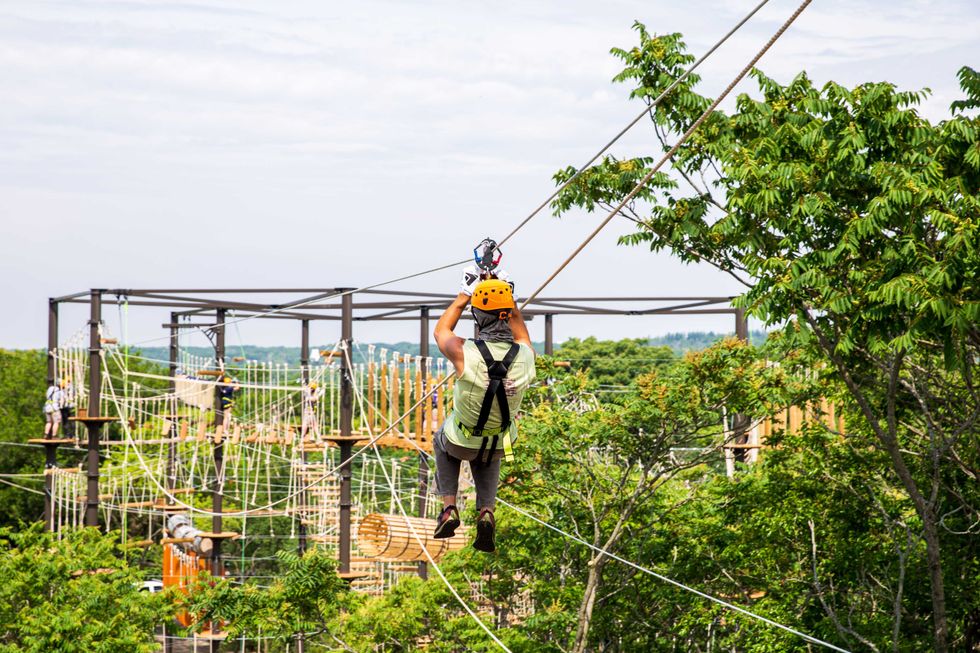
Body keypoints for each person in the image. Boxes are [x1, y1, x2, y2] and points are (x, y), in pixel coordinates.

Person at [431, 267, 536, 552]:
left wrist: (466, 292)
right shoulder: (526, 355)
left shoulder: (465, 352)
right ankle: (486, 511)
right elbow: (521, 332)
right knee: (490, 447)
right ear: (507, 314)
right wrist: (507, 296)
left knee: (442, 440)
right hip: (502, 442)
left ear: (478, 317)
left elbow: (441, 331)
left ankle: (449, 507)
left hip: (460, 440)